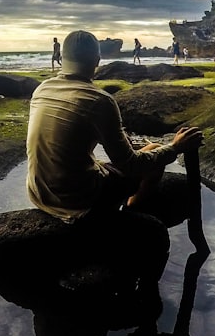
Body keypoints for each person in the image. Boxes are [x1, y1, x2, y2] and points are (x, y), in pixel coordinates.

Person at [27, 30, 204, 223]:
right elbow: (130, 165)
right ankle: (129, 213)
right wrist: (176, 147)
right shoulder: (99, 100)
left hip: (38, 194)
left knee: (104, 160)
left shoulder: (41, 89)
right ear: (97, 60)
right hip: (75, 202)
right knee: (153, 152)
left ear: (61, 57)